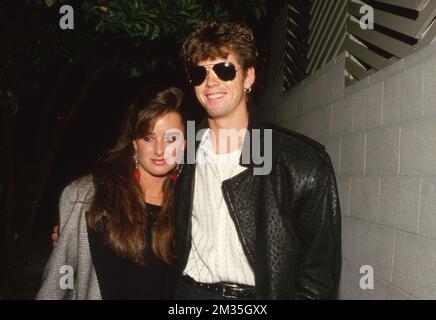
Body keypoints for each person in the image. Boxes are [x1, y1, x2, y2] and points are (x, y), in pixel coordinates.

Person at [172, 21, 342, 299]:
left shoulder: (299, 162)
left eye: (224, 70)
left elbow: (317, 280)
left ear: (248, 78)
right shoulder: (184, 152)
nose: (211, 82)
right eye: (199, 73)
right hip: (189, 296)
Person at [36, 86, 186, 299]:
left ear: (185, 143)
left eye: (171, 138)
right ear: (134, 142)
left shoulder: (191, 202)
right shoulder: (90, 195)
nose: (160, 150)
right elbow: (61, 274)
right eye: (148, 137)